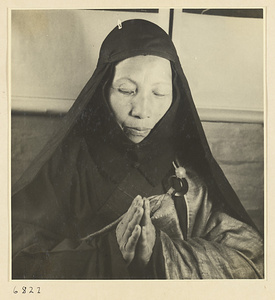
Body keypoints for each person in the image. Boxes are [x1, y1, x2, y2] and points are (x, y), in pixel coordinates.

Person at [12, 19, 263, 279]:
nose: (142, 111)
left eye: (159, 94)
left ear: (175, 96)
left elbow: (252, 260)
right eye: (126, 90)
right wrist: (108, 256)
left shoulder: (186, 173)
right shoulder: (68, 164)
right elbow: (16, 256)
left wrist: (159, 254)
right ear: (103, 90)